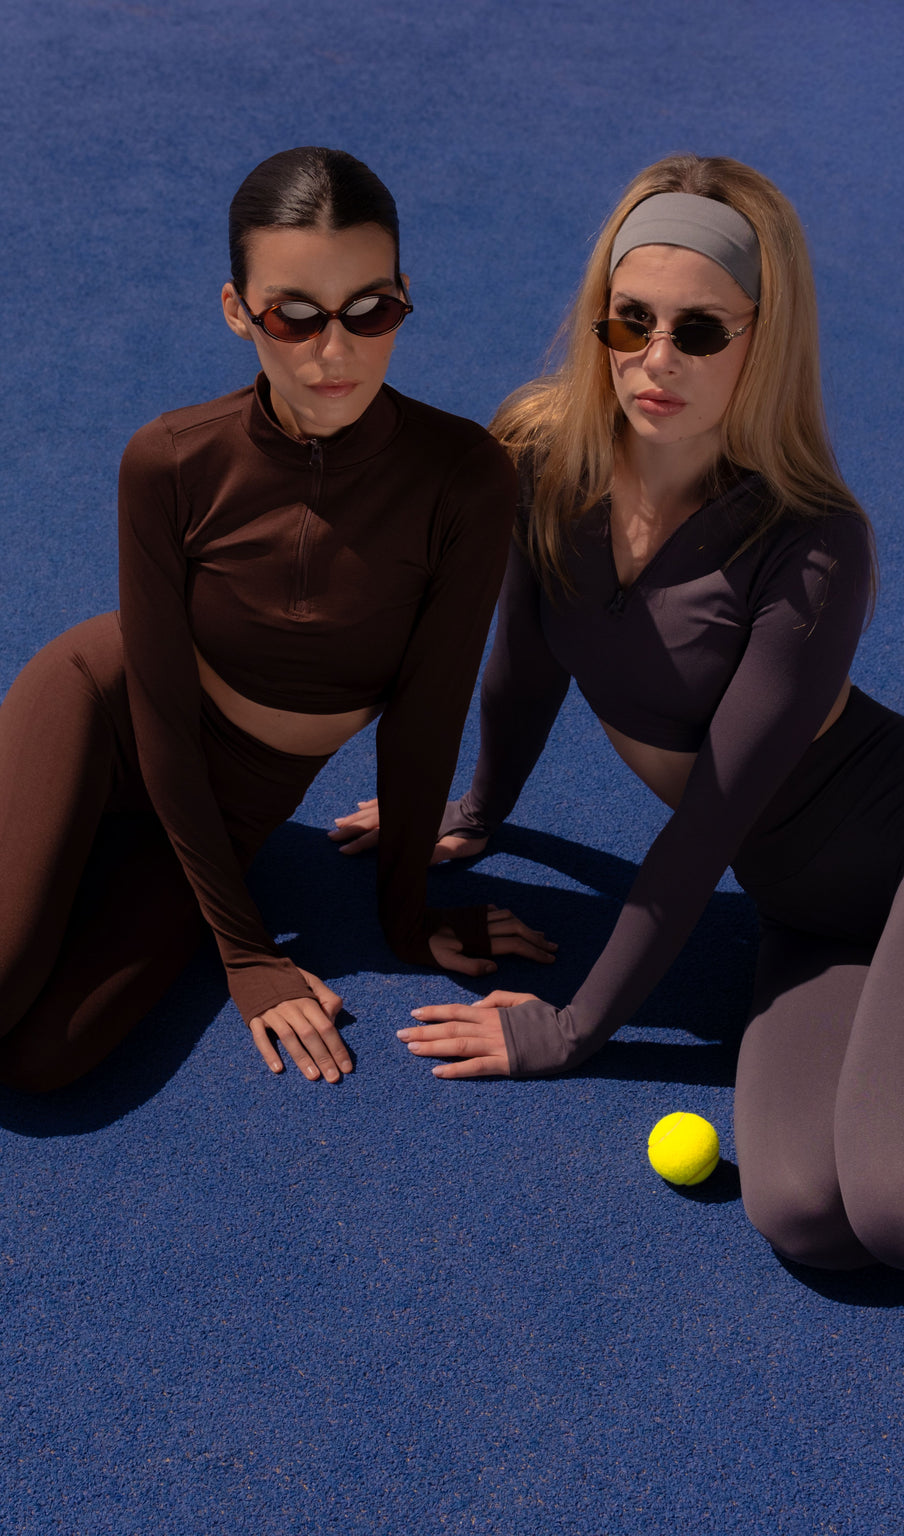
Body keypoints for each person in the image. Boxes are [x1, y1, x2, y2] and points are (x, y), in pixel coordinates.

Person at [338, 154, 904, 1275]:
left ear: (762, 339)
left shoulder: (810, 544)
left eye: (700, 331)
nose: (656, 360)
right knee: (802, 1213)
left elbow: (709, 822)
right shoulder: (538, 453)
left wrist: (569, 1031)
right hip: (810, 914)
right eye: (630, 322)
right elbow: (523, 661)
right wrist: (476, 811)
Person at [0, 145, 553, 1095]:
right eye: (292, 315)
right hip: (107, 716)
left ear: (403, 296)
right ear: (237, 311)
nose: (333, 351)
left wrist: (405, 916)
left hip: (241, 801)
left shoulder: (465, 477)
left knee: (42, 1061)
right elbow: (163, 719)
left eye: (369, 309)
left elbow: (429, 715)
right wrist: (247, 950)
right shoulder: (167, 461)